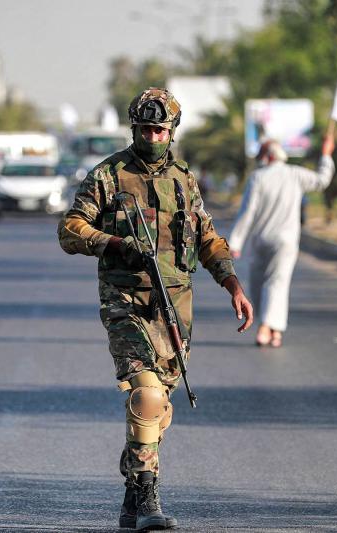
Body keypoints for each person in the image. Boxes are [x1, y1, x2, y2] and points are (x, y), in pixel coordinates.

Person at [58, 87, 254, 531]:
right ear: (134, 128)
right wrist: (114, 243)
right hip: (126, 302)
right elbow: (70, 229)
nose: (152, 136)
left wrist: (232, 285)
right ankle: (147, 499)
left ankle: (132, 493)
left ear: (172, 132)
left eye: (159, 130)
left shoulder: (184, 180)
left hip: (175, 308)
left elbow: (207, 237)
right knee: (146, 396)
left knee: (159, 405)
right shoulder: (108, 176)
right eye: (145, 129)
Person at [228, 136, 335, 348]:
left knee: (263, 283)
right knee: (275, 282)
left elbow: (247, 212)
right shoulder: (294, 173)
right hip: (284, 241)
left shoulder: (258, 177)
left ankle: (265, 326)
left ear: (267, 156)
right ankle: (274, 330)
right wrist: (326, 155)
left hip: (262, 239)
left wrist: (236, 242)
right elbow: (322, 180)